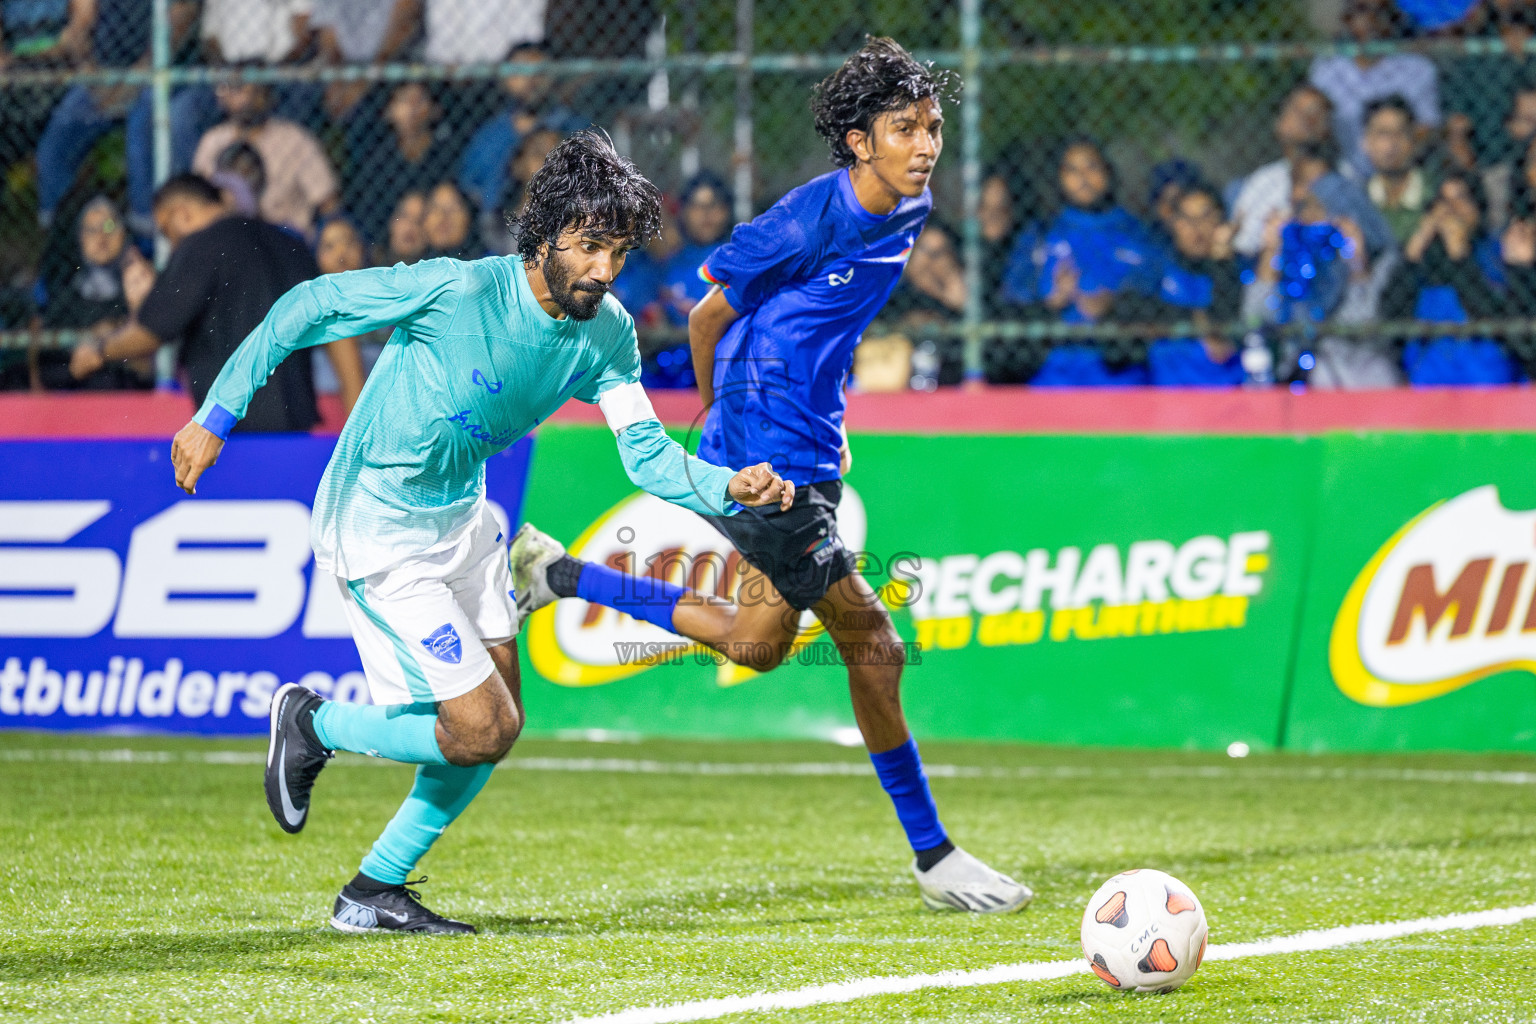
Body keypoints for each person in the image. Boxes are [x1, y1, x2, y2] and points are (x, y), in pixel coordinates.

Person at [166, 132, 790, 935]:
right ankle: (312, 722)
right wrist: (217, 414)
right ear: (546, 234)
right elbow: (305, 308)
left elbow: (644, 456)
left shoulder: (606, 333)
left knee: (495, 728)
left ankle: (373, 891)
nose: (604, 269)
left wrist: (725, 485)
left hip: (464, 520)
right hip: (378, 524)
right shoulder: (453, 291)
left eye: (619, 253)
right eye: (591, 247)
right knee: (480, 726)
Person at [511, 38, 1032, 916]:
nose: (926, 143)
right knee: (876, 645)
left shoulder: (911, 201)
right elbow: (711, 312)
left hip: (813, 443)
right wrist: (718, 421)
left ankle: (551, 572)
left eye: (933, 126)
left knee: (755, 643)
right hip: (765, 456)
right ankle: (935, 855)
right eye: (904, 128)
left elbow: (818, 322)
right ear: (859, 142)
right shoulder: (803, 220)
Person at [68, 173, 364, 424]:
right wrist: (357, 429)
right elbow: (341, 339)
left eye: (166, 231)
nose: (170, 243)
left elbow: (151, 332)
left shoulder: (199, 247)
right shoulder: (291, 245)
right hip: (295, 428)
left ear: (181, 215)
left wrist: (100, 350)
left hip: (230, 433)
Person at [1024, 137, 1160, 386]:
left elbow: (1159, 292)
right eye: (1072, 170)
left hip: (1121, 371)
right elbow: (1014, 296)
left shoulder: (1136, 231)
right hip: (1055, 372)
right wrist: (1052, 302)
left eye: (1091, 167)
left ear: (1108, 173)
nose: (1083, 177)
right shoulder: (1041, 233)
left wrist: (1116, 305)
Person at [1381, 171, 1518, 383]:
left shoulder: (1495, 253)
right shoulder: (1421, 259)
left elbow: (1494, 317)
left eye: (1461, 199)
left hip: (1486, 379)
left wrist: (1459, 257)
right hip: (1429, 380)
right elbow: (1389, 312)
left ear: (1477, 208)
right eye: (1444, 202)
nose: (1451, 210)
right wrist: (1413, 252)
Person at [1109, 183, 1246, 387]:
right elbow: (1131, 311)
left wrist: (1221, 258)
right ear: (1173, 223)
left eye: (1206, 217)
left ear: (1222, 222)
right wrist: (1196, 319)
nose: (1196, 228)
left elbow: (1222, 323)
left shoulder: (1236, 270)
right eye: (1186, 219)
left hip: (1226, 391)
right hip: (1169, 394)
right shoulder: (1158, 268)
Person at [191, 80, 340, 239]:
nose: (247, 98)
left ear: (267, 95)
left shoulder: (294, 138)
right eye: (237, 89)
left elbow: (328, 202)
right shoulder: (212, 141)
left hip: (285, 240)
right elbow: (198, 201)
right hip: (228, 239)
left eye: (256, 90)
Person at [1308, 0, 1439, 180]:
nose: (1371, 19)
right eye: (1361, 10)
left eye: (1380, 12)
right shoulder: (1327, 67)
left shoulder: (1417, 69)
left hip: (1398, 171)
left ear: (1393, 19)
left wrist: (1388, 148)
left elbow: (1427, 126)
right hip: (1339, 170)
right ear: (1347, 19)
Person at [37, 196, 154, 390]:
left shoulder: (141, 282)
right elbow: (45, 367)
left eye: (109, 227)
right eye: (91, 230)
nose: (101, 238)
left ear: (123, 233)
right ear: (79, 237)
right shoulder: (65, 294)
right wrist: (75, 368)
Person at [347, 83, 462, 244]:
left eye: (419, 100)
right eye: (403, 100)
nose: (412, 108)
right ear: (388, 112)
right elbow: (369, 212)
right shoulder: (377, 160)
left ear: (435, 110)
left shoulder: (449, 152)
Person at [1362, 95, 1433, 246]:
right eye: (1383, 133)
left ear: (1414, 141)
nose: (1392, 143)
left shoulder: (1438, 192)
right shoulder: (1357, 199)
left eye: (1401, 132)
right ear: (1366, 143)